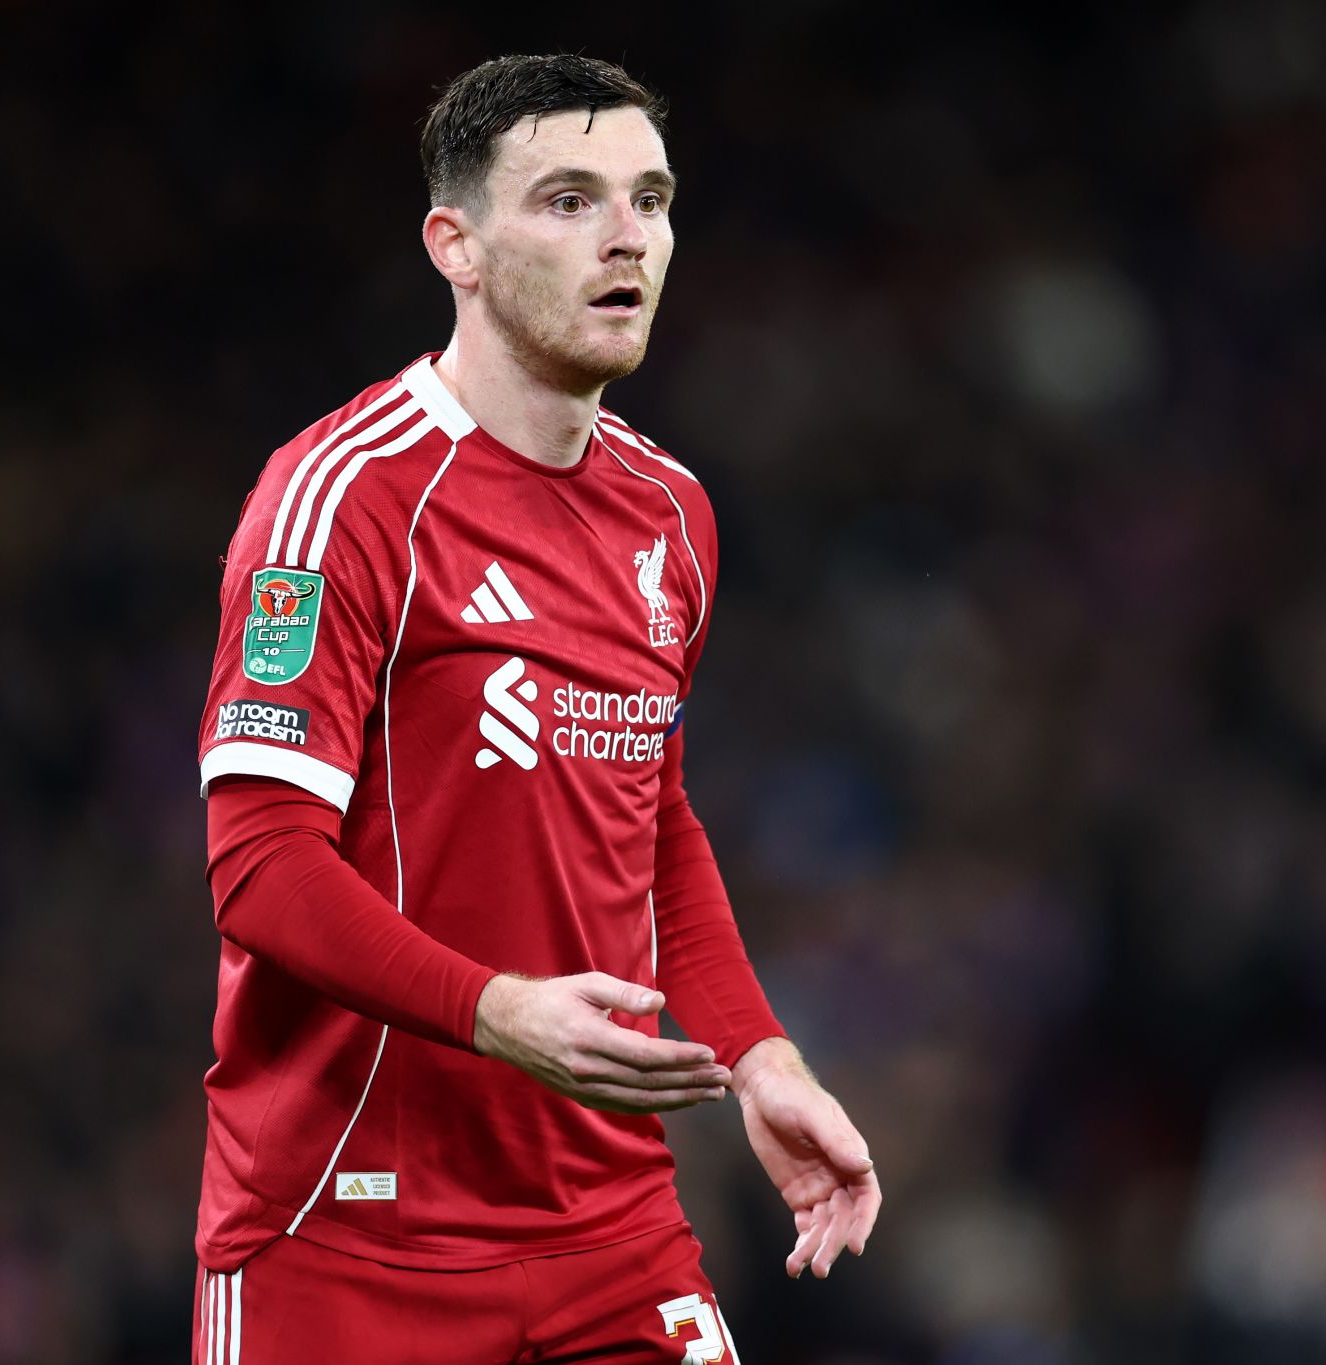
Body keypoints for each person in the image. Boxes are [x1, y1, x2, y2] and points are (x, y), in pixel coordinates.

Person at [188, 52, 881, 1364]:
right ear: (455, 244)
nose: (629, 238)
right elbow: (261, 866)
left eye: (651, 199)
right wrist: (495, 1010)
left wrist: (760, 1058)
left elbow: (650, 821)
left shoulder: (672, 514)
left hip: (609, 1225)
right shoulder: (342, 498)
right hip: (351, 1231)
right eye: (570, 200)